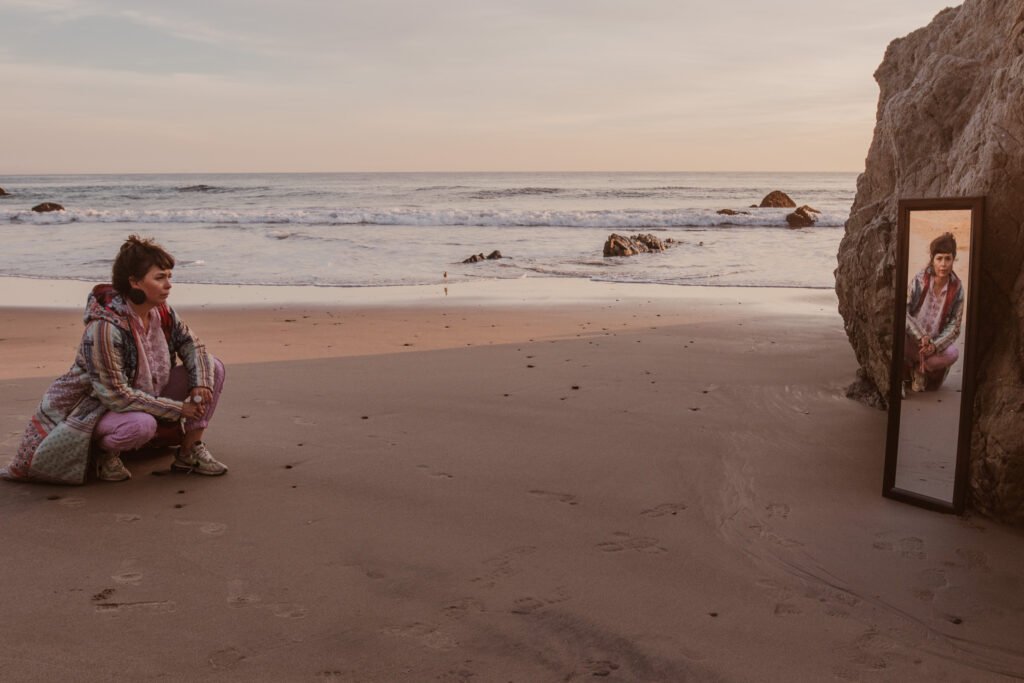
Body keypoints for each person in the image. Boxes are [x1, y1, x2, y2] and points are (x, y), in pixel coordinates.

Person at [1, 235, 228, 484]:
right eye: (160, 278)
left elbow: (192, 345)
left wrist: (201, 383)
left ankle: (189, 451)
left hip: (146, 396)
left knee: (211, 367)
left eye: (169, 277)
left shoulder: (162, 311)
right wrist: (178, 409)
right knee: (141, 426)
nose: (168, 285)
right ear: (135, 282)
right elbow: (116, 396)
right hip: (98, 408)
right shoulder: (105, 327)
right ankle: (103, 454)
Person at [904, 232, 964, 393]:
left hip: (933, 346)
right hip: (912, 340)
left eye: (947, 258)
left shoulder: (957, 288)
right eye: (939, 259)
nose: (943, 264)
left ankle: (919, 369)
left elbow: (955, 326)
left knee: (953, 353)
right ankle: (909, 367)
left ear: (953, 259)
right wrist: (920, 337)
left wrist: (934, 346)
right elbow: (904, 311)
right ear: (932, 259)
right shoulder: (919, 280)